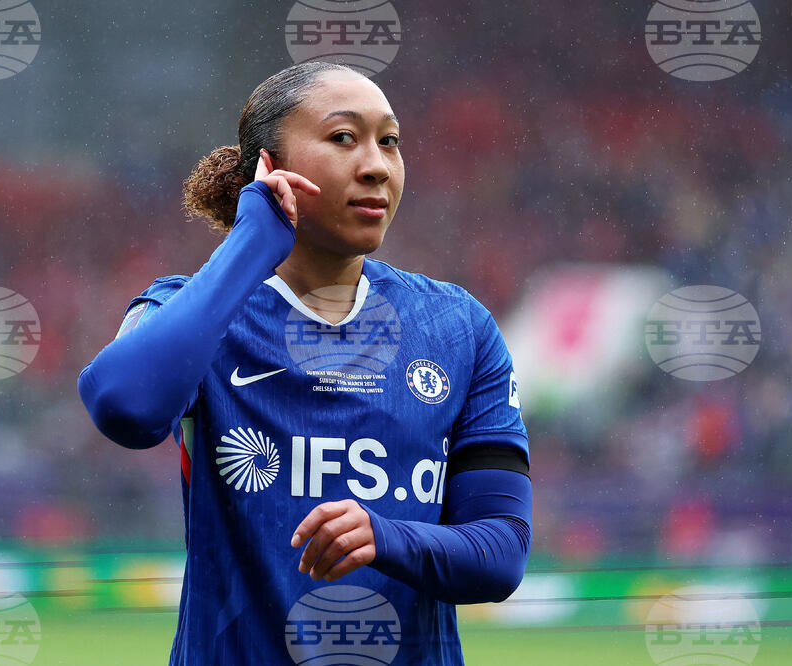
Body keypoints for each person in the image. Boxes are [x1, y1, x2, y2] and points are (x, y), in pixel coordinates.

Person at [78, 61, 532, 666]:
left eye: (389, 141)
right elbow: (124, 408)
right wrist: (253, 239)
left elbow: (500, 553)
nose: (375, 165)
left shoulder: (458, 327)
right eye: (344, 138)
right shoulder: (188, 311)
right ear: (270, 166)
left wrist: (386, 537)